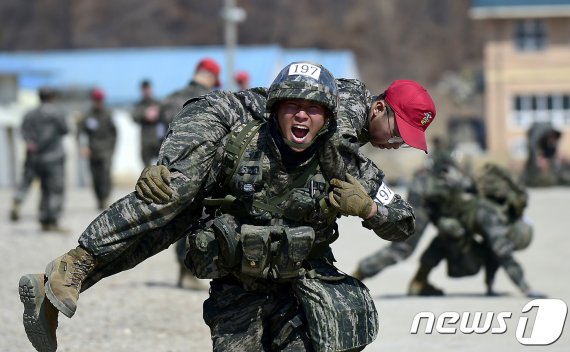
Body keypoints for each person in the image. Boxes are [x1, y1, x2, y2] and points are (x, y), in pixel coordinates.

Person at [18, 63, 435, 351]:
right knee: (173, 191)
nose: (398, 143)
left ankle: (57, 287)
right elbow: (337, 156)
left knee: (172, 225)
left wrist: (372, 208)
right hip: (219, 117)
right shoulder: (342, 110)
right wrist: (164, 163)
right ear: (379, 108)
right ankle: (74, 263)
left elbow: (396, 213)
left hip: (253, 171)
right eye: (399, 132)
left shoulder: (352, 137)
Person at [407, 162, 545, 298]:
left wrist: (490, 286)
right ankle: (419, 282)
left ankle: (419, 281)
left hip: (451, 219)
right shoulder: (494, 219)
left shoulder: (500, 213)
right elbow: (504, 254)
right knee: (457, 244)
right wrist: (526, 289)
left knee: (455, 237)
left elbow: (495, 253)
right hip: (446, 219)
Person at [352, 137, 456, 280]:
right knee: (403, 247)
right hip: (425, 200)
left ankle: (419, 282)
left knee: (451, 235)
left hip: (434, 200)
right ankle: (360, 273)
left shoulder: (440, 157)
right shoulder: (443, 158)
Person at [158, 57, 221, 289]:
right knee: (199, 219)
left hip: (171, 168)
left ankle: (182, 269)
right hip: (201, 170)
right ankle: (189, 269)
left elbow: (161, 135)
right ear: (212, 77)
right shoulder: (211, 100)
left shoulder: (170, 99)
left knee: (178, 219)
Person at [9, 87, 68, 231]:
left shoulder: (30, 114)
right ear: (52, 96)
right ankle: (49, 220)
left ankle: (19, 199)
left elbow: (23, 131)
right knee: (52, 189)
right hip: (53, 157)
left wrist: (31, 143)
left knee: (26, 182)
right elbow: (65, 129)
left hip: (34, 157)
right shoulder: (57, 113)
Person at [77, 88, 117, 210]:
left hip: (106, 150)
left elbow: (114, 133)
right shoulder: (87, 115)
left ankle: (105, 197)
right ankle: (99, 198)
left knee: (105, 175)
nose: (98, 102)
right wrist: (82, 147)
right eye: (96, 100)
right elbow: (79, 132)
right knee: (95, 177)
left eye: (100, 100)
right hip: (92, 151)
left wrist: (111, 149)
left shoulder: (108, 114)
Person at [132, 79, 162, 167]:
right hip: (145, 141)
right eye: (144, 89)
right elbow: (134, 117)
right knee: (146, 168)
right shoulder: (139, 105)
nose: (146, 91)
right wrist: (145, 114)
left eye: (147, 88)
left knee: (161, 166)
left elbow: (166, 116)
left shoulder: (158, 103)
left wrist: (157, 113)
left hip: (158, 140)